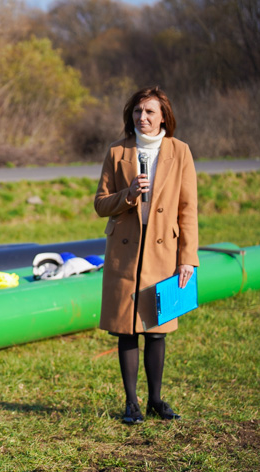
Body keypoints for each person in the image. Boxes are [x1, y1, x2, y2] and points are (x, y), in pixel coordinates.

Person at [94, 86, 199, 424]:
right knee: (126, 329)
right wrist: (128, 194)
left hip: (163, 251)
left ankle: (155, 400)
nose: (143, 118)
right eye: (138, 112)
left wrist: (188, 258)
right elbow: (100, 204)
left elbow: (188, 210)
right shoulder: (117, 152)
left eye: (150, 112)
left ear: (163, 116)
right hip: (124, 253)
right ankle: (131, 404)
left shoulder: (180, 151)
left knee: (157, 328)